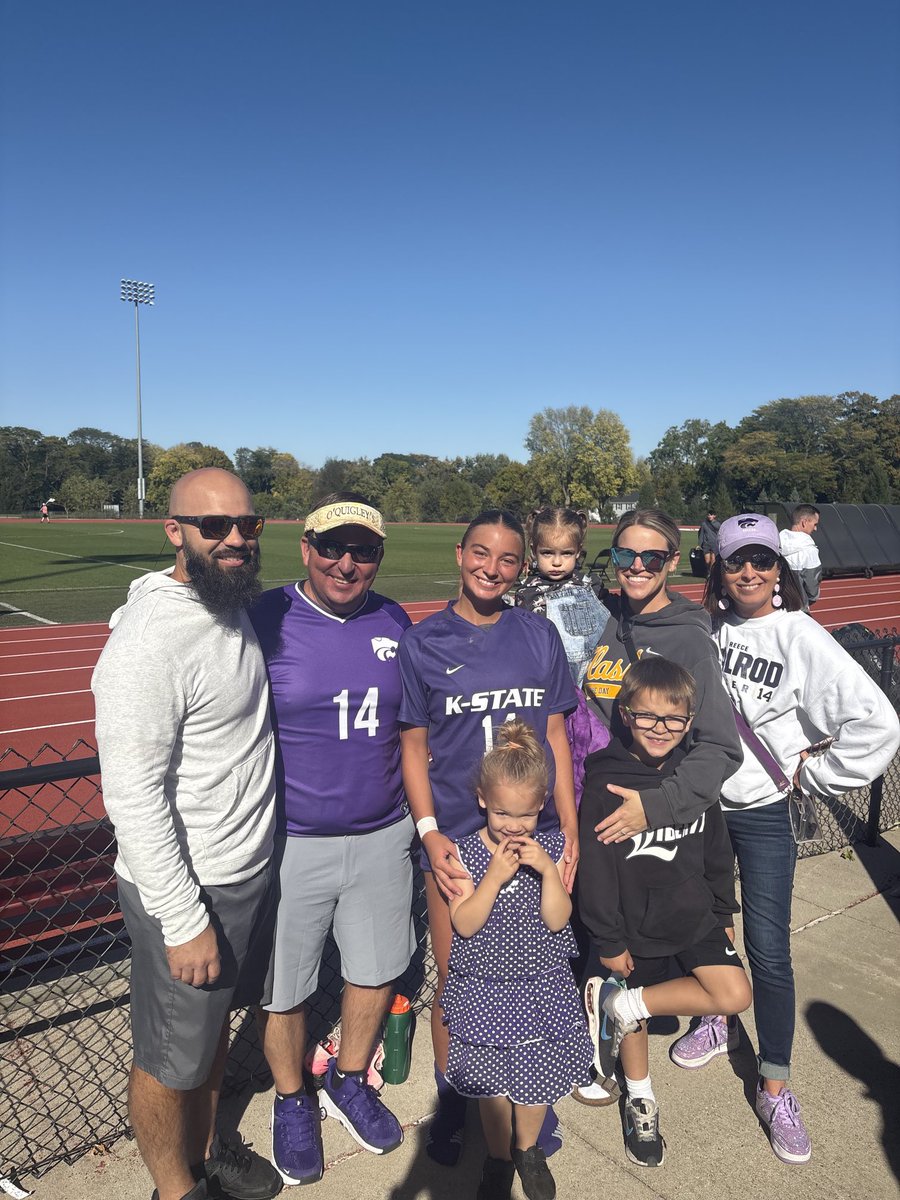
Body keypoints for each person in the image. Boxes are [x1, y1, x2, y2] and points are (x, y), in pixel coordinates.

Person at [675, 513, 900, 1165]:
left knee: (769, 949)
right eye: (736, 560)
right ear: (716, 566)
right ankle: (716, 1015)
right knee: (706, 928)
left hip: (767, 809)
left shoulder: (799, 635)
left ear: (778, 569)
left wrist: (814, 773)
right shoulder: (704, 629)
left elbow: (877, 722)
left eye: (762, 560)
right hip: (704, 810)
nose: (749, 571)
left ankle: (774, 1083)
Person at [91, 468, 282, 1200]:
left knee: (206, 1042)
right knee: (169, 1059)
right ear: (175, 531)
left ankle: (206, 1148)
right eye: (214, 526)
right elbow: (132, 796)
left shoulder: (224, 603)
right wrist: (182, 919)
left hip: (241, 873)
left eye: (248, 523)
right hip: (190, 889)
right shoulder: (149, 644)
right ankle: (177, 1188)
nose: (235, 538)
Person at [398, 509, 579, 1167]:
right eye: (481, 554)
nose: (492, 569)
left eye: (507, 560)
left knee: (536, 974)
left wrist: (572, 833)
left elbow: (556, 736)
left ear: (520, 566)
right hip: (457, 839)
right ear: (459, 553)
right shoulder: (425, 643)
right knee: (460, 976)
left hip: (535, 837)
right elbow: (413, 747)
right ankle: (458, 1094)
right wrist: (430, 833)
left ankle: (529, 1092)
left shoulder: (538, 636)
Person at [250, 493, 415, 1184]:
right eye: (332, 547)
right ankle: (293, 1100)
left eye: (364, 551)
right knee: (283, 989)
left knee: (374, 971)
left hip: (382, 832)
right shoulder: (265, 617)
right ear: (306, 547)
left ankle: (349, 1078)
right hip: (294, 840)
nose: (347, 563)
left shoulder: (393, 618)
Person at [578, 658, 750, 1169]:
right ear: (625, 715)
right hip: (635, 925)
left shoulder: (691, 777)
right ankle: (640, 1097)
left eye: (674, 720)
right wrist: (609, 939)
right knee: (635, 1024)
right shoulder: (605, 784)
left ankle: (623, 1007)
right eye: (647, 717)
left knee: (733, 992)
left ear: (690, 721)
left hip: (694, 914)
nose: (661, 730)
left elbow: (718, 850)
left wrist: (723, 908)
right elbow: (597, 871)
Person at [442, 720, 593, 1200]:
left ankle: (528, 1149)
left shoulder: (549, 848)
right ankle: (499, 1156)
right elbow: (464, 923)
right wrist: (493, 877)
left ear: (542, 803)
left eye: (525, 815)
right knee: (491, 1082)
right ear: (483, 799)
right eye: (503, 812)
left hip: (538, 985)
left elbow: (558, 919)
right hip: (486, 988)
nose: (513, 825)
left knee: (535, 1070)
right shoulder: (465, 853)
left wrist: (548, 869)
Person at [581, 508, 742, 842]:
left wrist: (658, 807)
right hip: (588, 799)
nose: (637, 567)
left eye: (652, 558)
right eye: (625, 555)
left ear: (672, 561)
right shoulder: (601, 619)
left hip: (642, 817)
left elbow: (719, 746)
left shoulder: (689, 639)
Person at [514, 506, 609, 685]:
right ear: (534, 551)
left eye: (566, 553)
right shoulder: (527, 594)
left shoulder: (592, 585)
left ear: (578, 551)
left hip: (595, 686)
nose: (557, 562)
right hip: (553, 685)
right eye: (547, 553)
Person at [779, 504, 821, 611]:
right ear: (804, 522)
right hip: (799, 610)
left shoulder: (776, 544)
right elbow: (812, 589)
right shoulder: (809, 550)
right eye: (814, 524)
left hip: (776, 609)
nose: (815, 529)